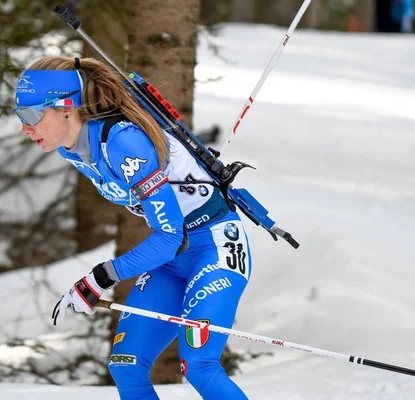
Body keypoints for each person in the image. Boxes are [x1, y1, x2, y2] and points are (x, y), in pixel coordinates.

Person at [15, 56, 251, 400]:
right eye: (20, 117)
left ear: (66, 108)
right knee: (126, 365)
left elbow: (171, 237)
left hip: (215, 247)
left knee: (199, 365)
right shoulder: (72, 151)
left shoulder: (125, 143)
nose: (24, 128)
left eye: (32, 115)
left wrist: (100, 277)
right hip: (172, 262)